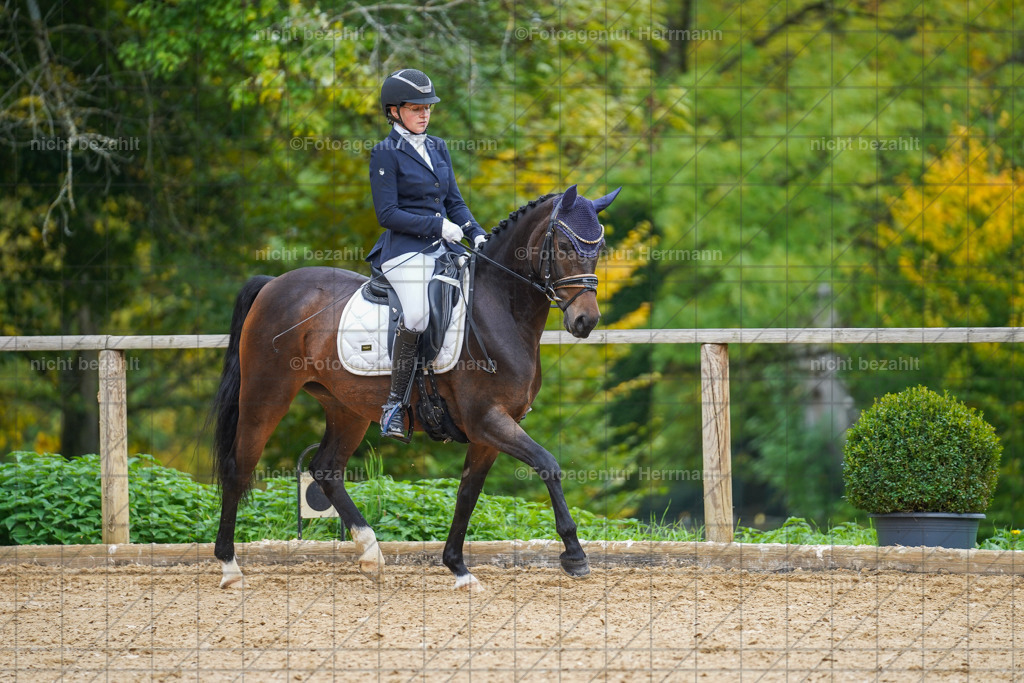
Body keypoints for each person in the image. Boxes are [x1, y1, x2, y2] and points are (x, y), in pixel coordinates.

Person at [367, 68, 487, 442]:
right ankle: (393, 405)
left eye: (428, 108)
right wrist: (437, 227)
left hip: (444, 247)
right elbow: (387, 214)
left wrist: (476, 233)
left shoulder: (437, 147)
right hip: (404, 251)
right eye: (416, 108)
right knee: (417, 315)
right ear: (394, 111)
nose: (424, 114)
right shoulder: (385, 153)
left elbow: (454, 201)